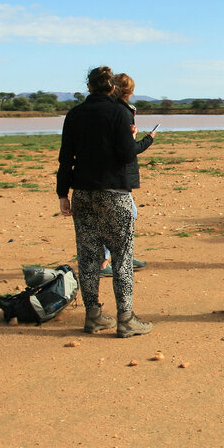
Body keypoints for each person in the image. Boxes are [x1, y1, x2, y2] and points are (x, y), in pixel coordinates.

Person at [57, 66, 155, 337]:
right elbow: (126, 155)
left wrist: (62, 194)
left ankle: (93, 316)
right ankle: (126, 319)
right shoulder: (120, 112)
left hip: (83, 193)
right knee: (122, 256)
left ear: (89, 87)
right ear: (112, 88)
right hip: (115, 193)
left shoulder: (74, 114)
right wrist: (134, 137)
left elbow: (66, 158)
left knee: (88, 256)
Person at [99, 73, 152, 275]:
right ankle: (105, 262)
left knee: (124, 215)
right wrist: (143, 138)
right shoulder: (121, 112)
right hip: (115, 175)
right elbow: (127, 149)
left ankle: (121, 256)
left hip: (106, 173)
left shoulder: (108, 110)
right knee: (121, 216)